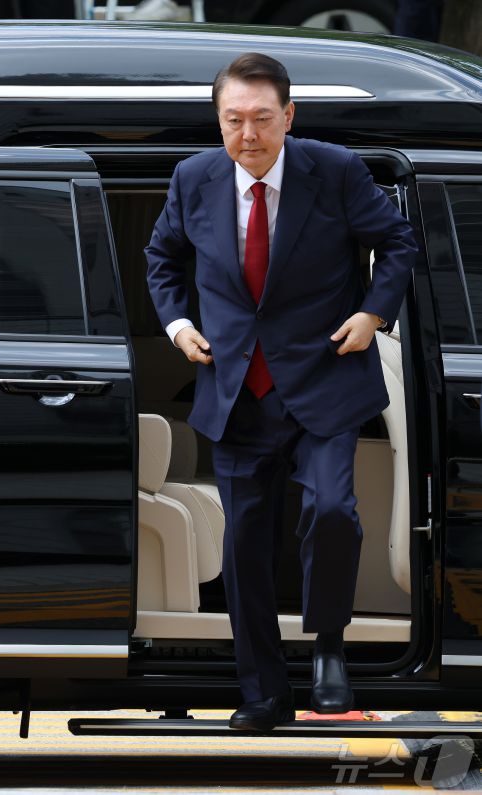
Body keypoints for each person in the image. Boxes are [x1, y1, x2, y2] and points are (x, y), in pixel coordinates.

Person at [145, 53, 417, 732]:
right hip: (236, 390)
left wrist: (373, 313)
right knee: (245, 545)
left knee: (333, 511)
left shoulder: (336, 170)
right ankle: (263, 692)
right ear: (218, 120)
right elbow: (161, 259)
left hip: (325, 379)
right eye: (233, 120)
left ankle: (328, 645)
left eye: (262, 118)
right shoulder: (193, 178)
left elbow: (397, 242)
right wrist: (178, 326)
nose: (248, 134)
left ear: (289, 116)